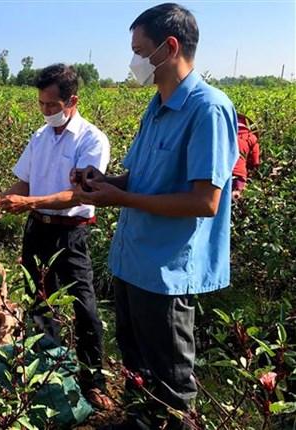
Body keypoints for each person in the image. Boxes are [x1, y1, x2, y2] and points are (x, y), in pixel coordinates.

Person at [73, 4, 239, 429]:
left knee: (170, 383)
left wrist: (120, 199)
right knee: (136, 367)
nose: (133, 62)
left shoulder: (208, 109)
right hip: (133, 260)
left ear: (169, 48)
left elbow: (206, 202)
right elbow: (144, 179)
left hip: (166, 270)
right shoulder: (157, 106)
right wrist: (106, 180)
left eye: (139, 50)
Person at [0, 64, 112, 409]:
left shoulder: (92, 140)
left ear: (73, 100)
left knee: (84, 309)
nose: (45, 111)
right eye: (41, 104)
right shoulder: (39, 138)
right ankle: (45, 371)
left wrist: (28, 201)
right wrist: (3, 196)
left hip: (70, 236)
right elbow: (24, 181)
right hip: (37, 230)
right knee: (39, 304)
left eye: (52, 105)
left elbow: (81, 195)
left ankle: (92, 380)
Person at [232, 113, 260, 200]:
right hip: (240, 173)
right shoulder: (251, 137)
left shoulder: (224, 135)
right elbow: (255, 161)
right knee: (237, 200)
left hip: (222, 173)